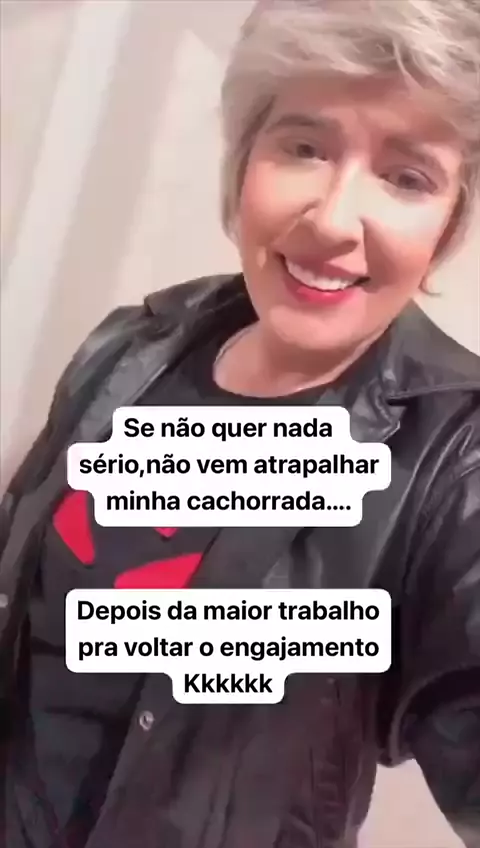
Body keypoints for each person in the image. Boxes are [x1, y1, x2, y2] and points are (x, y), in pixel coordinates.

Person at [1, 0, 479, 846]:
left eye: (408, 177)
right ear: (245, 161)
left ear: (446, 226)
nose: (332, 220)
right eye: (305, 147)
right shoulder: (131, 347)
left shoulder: (454, 459)